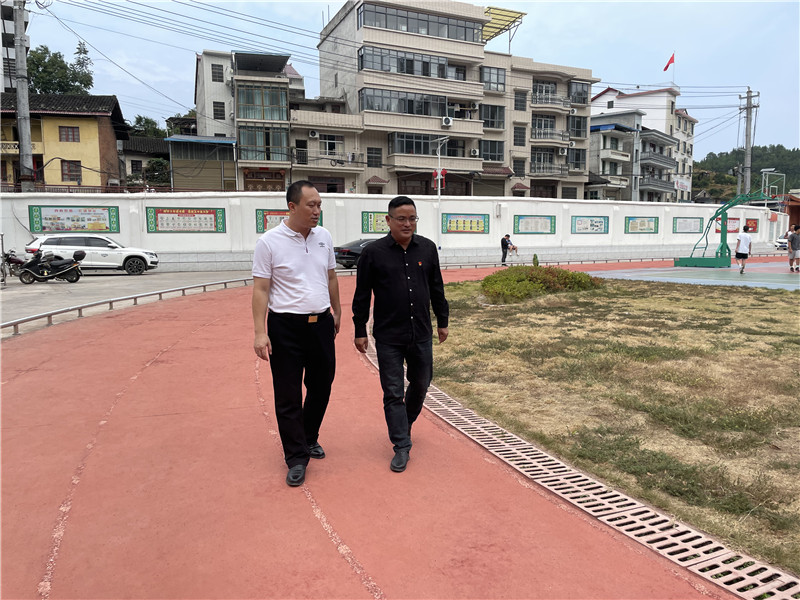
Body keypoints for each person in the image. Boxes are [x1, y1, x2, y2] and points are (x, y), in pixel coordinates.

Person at [252, 180, 341, 487]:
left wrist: (337, 311)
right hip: (285, 328)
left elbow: (331, 276)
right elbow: (261, 289)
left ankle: (309, 436)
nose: (317, 211)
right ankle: (296, 457)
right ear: (292, 207)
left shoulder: (323, 237)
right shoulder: (269, 242)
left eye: (319, 205)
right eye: (311, 205)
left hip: (321, 324)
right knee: (288, 393)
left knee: (322, 385)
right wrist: (259, 332)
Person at [352, 196, 449, 473]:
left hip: (421, 333)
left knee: (422, 382)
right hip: (388, 336)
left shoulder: (427, 249)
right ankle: (402, 445)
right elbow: (362, 294)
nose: (408, 224)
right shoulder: (373, 253)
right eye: (401, 219)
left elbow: (437, 287)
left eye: (412, 218)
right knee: (393, 391)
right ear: (389, 220)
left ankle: (404, 424)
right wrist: (360, 329)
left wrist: (442, 321)